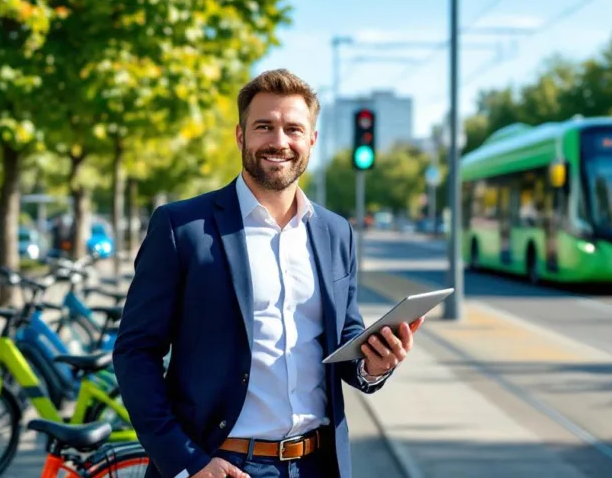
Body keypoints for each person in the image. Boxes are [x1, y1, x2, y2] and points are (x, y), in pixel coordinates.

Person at [112, 69, 423, 478]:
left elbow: (346, 340)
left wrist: (374, 365)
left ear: (311, 141)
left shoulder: (335, 232)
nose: (279, 141)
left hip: (317, 463)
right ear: (241, 136)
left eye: (293, 129)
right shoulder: (181, 227)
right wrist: (188, 463)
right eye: (264, 127)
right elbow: (135, 353)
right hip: (222, 464)